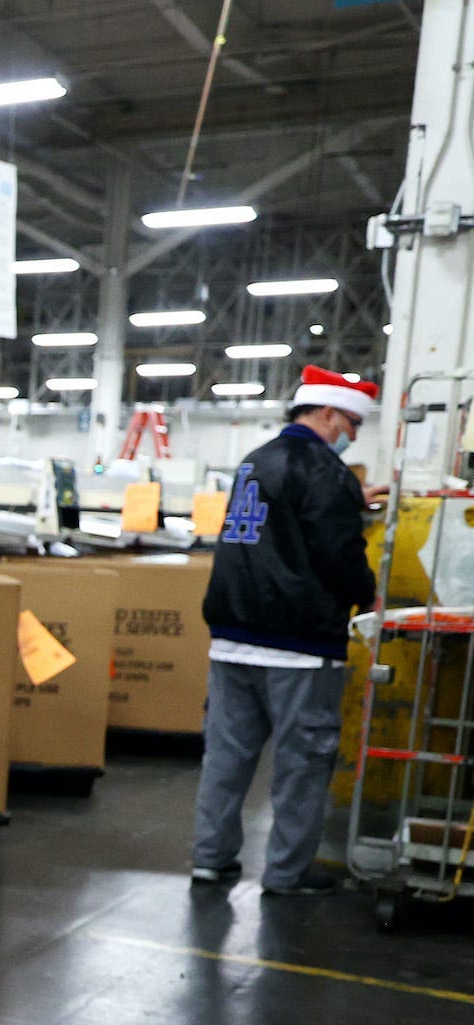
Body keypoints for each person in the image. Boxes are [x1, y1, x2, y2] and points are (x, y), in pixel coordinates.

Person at [191, 365, 379, 897]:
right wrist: (368, 594)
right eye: (351, 423)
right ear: (326, 413)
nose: (353, 436)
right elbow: (337, 553)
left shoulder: (256, 460)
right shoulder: (326, 472)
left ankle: (211, 859)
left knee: (226, 757)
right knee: (303, 764)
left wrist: (350, 500)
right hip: (298, 645)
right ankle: (286, 874)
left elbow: (283, 528)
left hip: (232, 638)